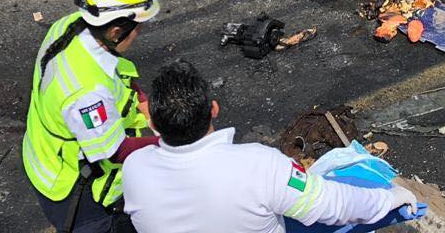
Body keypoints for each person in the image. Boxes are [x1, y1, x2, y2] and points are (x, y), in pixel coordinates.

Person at [123, 60, 419, 233]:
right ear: (213, 109)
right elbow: (336, 205)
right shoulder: (258, 165)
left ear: (154, 125)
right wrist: (391, 198)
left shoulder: (135, 169)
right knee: (346, 192)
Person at [23, 0, 162, 233]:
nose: (139, 34)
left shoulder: (70, 26)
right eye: (138, 28)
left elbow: (116, 70)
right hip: (71, 185)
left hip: (43, 150)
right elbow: (115, 150)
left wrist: (142, 102)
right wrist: (170, 143)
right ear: (115, 31)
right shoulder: (87, 94)